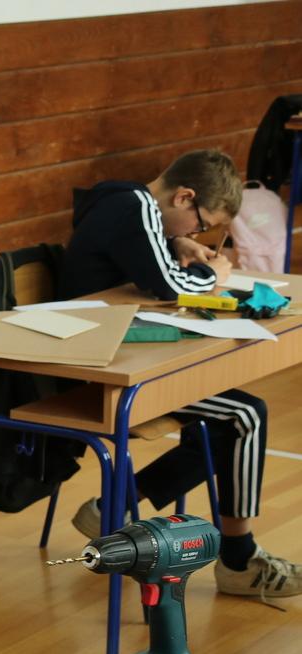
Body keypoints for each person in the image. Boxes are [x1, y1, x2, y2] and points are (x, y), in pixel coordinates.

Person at [56, 148, 299, 599]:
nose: (196, 233)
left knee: (226, 422)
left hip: (119, 358)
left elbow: (141, 256)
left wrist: (175, 244)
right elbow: (167, 283)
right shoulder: (135, 206)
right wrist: (212, 272)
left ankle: (114, 505)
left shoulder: (122, 200)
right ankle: (239, 561)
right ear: (184, 197)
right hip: (103, 374)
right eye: (200, 225)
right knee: (244, 417)